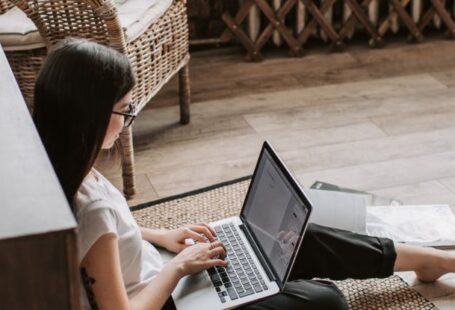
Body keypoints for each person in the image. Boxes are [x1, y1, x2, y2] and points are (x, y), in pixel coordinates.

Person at [33, 38, 455, 310]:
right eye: (124, 109)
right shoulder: (88, 208)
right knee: (326, 301)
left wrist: (159, 237)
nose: (129, 120)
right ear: (89, 116)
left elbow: (102, 239)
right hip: (165, 299)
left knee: (287, 238)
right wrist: (179, 268)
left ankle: (432, 261)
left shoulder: (64, 169)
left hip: (159, 269)